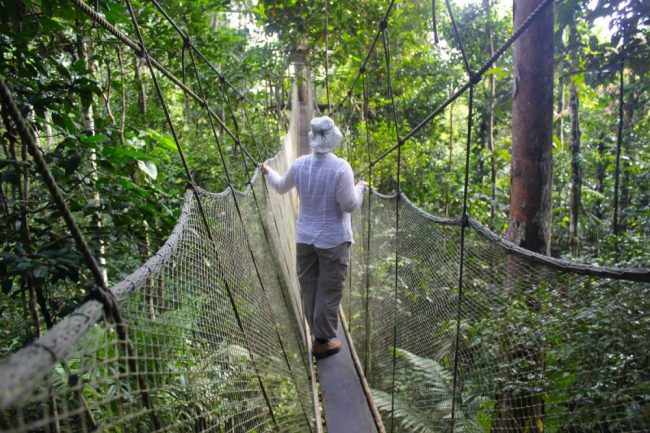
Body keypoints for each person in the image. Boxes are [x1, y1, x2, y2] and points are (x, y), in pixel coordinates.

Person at [260, 116, 368, 359]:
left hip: (304, 238)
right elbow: (349, 205)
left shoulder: (299, 164)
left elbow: (279, 187)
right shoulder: (341, 167)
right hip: (333, 240)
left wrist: (268, 172)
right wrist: (360, 188)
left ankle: (316, 332)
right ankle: (322, 341)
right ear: (332, 138)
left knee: (309, 287)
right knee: (329, 290)